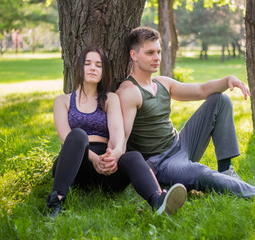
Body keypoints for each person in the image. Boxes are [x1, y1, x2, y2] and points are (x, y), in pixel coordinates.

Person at [116, 27, 255, 198]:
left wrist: (228, 80)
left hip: (181, 144)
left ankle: (226, 171)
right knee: (200, 172)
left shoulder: (162, 83)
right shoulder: (129, 92)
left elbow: (201, 90)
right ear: (134, 55)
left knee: (220, 100)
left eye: (158, 51)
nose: (157, 57)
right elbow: (122, 138)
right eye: (150, 53)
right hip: (161, 163)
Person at [44, 46, 187, 217]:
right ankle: (55, 202)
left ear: (104, 71)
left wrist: (113, 156)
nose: (92, 68)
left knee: (133, 156)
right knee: (78, 135)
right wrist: (94, 158)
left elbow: (119, 136)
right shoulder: (63, 101)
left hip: (106, 169)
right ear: (79, 67)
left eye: (98, 65)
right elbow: (64, 137)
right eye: (88, 63)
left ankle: (158, 202)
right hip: (74, 166)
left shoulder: (110, 99)